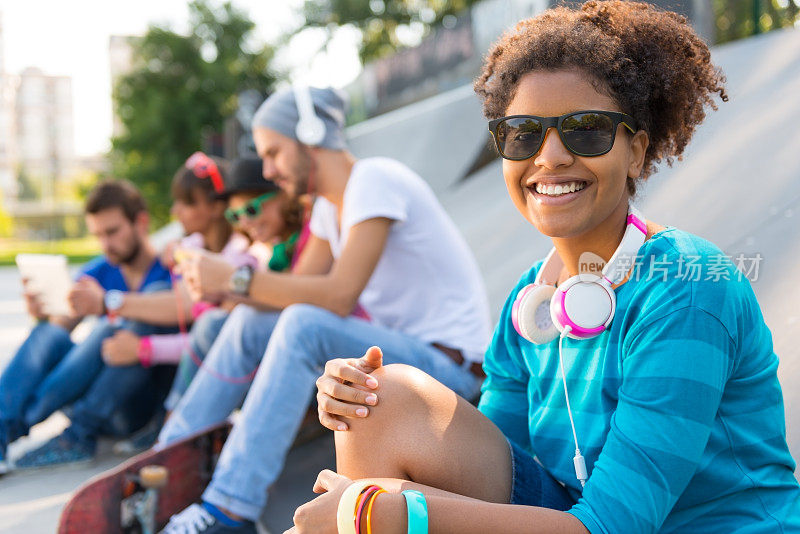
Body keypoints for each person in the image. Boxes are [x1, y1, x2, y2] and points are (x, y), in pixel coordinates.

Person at [292, 2, 800, 533]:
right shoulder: (528, 302)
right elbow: (473, 474)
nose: (550, 156)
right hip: (566, 516)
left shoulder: (685, 290)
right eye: (523, 133)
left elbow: (608, 526)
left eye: (586, 129)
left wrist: (392, 509)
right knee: (381, 401)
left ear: (635, 151)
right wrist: (350, 397)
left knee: (372, 509)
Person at [157, 86, 492, 534]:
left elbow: (336, 295)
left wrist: (236, 279)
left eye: (274, 152)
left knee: (302, 325)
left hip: (452, 368)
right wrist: (220, 282)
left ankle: (228, 511)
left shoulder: (373, 179)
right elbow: (295, 291)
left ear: (310, 135)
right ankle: (169, 452)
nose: (270, 170)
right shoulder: (327, 210)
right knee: (251, 319)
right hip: (403, 358)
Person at [0, 180, 175, 472]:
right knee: (47, 333)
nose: (106, 244)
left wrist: (109, 303)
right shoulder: (99, 270)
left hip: (136, 404)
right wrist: (43, 312)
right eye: (97, 235)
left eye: (112, 232)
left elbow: (182, 308)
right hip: (89, 397)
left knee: (112, 329)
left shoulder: (169, 268)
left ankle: (51, 433)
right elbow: (62, 325)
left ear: (140, 222)